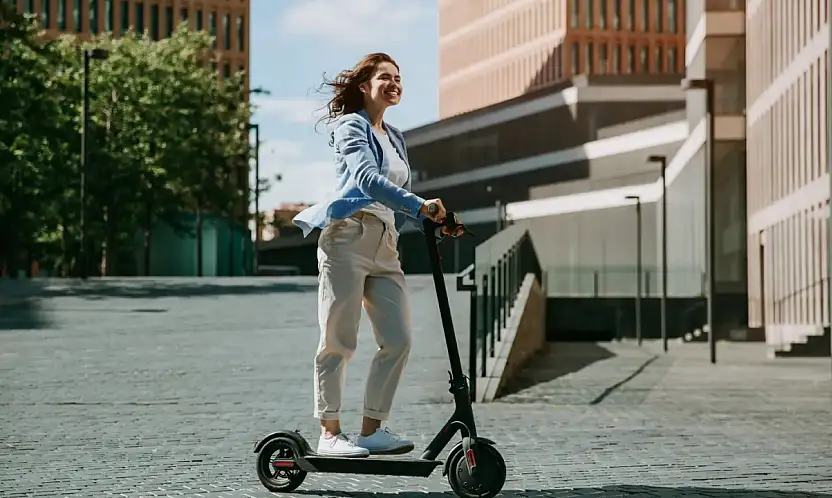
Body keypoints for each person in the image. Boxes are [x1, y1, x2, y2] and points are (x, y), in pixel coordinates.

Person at [293, 53, 461, 458]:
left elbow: (396, 193)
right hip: (348, 235)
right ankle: (329, 433)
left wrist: (436, 218)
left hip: (386, 242)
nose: (394, 83)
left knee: (399, 339)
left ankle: (371, 429)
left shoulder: (396, 135)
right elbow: (367, 180)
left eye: (398, 77)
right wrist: (420, 205)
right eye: (385, 77)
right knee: (339, 338)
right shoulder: (351, 125)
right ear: (365, 86)